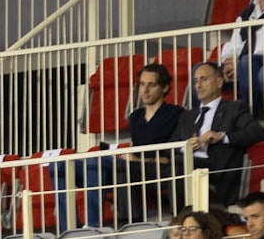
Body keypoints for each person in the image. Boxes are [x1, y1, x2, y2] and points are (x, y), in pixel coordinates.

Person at [80, 63, 188, 228]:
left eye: (151, 85)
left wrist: (137, 160)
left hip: (163, 169)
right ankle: (86, 225)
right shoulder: (135, 117)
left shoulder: (177, 114)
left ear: (165, 88)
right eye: (142, 85)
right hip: (138, 169)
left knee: (120, 166)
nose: (144, 90)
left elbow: (172, 157)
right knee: (78, 164)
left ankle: (129, 222)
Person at [177, 62, 264, 208]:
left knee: (178, 169)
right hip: (187, 162)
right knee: (128, 167)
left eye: (204, 79)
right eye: (196, 81)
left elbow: (257, 133)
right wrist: (187, 146)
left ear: (219, 82)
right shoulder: (187, 116)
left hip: (216, 166)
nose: (198, 85)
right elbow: (172, 145)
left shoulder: (234, 108)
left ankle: (183, 217)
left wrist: (222, 136)